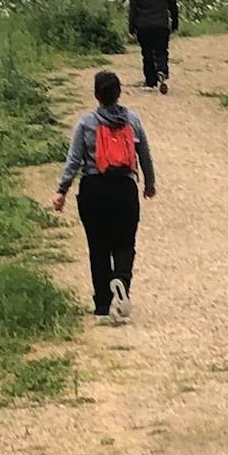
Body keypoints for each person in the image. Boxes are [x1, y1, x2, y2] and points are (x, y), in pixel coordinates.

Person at [53, 71, 157, 323]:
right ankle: (121, 283)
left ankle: (101, 306)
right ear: (119, 93)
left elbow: (74, 161)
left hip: (94, 189)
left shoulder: (86, 123)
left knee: (98, 247)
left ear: (96, 95)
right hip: (125, 189)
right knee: (125, 244)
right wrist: (149, 184)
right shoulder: (132, 120)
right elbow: (144, 155)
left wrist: (62, 190)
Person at [127, 0, 179, 94]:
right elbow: (173, 6)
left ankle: (150, 82)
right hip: (161, 25)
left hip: (143, 26)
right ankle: (162, 70)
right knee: (161, 50)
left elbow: (132, 10)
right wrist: (174, 24)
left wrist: (131, 29)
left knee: (147, 53)